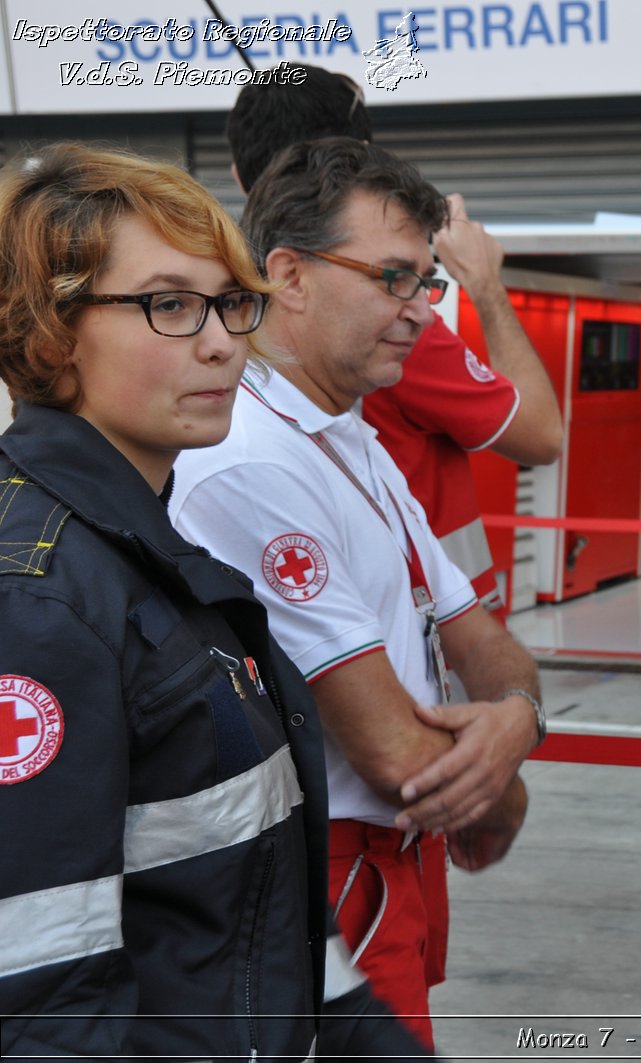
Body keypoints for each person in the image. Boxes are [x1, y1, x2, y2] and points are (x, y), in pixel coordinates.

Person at [0, 142, 428, 1059]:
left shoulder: (156, 554)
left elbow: (259, 910)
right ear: (49, 330)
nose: (221, 339)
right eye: (169, 304)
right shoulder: (39, 606)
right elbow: (42, 1006)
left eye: (231, 302)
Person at [170, 137, 546, 1051]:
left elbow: (476, 632)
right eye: (392, 278)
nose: (420, 311)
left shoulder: (350, 435)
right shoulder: (248, 461)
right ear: (289, 275)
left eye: (427, 281)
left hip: (391, 866)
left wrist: (518, 719)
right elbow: (390, 752)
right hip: (328, 877)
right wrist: (504, 788)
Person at [227, 63, 563, 610]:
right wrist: (483, 282)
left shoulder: (218, 310)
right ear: (360, 161)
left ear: (240, 178)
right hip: (425, 630)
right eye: (394, 277)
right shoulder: (394, 324)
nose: (416, 311)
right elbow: (542, 435)